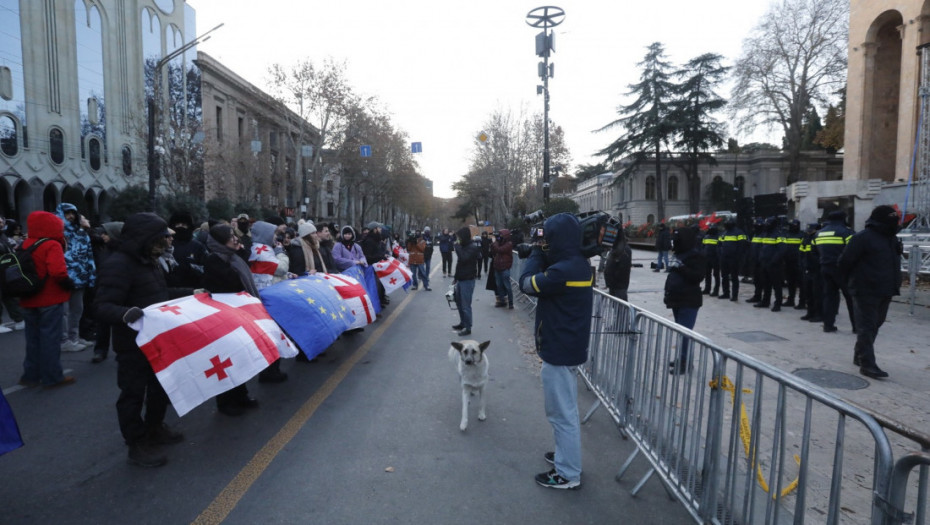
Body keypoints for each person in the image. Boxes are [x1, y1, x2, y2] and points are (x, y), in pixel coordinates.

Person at [94, 212, 191, 467]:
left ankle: (155, 427)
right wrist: (125, 313)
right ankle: (136, 444)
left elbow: (158, 295)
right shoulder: (119, 264)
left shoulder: (149, 260)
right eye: (161, 238)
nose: (167, 242)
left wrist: (192, 294)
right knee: (133, 394)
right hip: (132, 345)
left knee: (160, 387)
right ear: (145, 238)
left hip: (156, 340)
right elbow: (102, 306)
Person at [518, 213, 593, 490]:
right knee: (567, 411)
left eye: (548, 237)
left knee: (561, 414)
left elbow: (527, 283)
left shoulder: (562, 272)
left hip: (559, 350)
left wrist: (536, 253)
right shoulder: (579, 265)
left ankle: (568, 473)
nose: (545, 242)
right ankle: (566, 457)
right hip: (569, 346)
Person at [837, 205, 903, 379]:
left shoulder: (892, 238)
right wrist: (853, 282)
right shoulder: (862, 238)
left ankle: (859, 354)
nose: (896, 222)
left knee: (876, 324)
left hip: (886, 288)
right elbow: (844, 261)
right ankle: (867, 364)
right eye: (892, 219)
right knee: (867, 326)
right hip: (865, 289)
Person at [203, 224, 261, 415]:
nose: (236, 239)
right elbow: (231, 282)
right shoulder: (214, 260)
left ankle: (241, 394)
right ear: (220, 242)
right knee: (227, 358)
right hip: (223, 316)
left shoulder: (234, 257)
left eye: (235, 235)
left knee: (240, 356)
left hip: (239, 312)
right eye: (231, 237)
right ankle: (226, 402)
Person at [18, 211, 75, 389]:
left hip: (28, 297)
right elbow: (58, 272)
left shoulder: (24, 244)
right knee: (50, 338)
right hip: (50, 297)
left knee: (33, 339)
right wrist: (69, 284)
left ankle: (30, 375)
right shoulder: (52, 244)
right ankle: (52, 376)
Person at [249, 220, 290, 383]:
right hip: (267, 297)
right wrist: (281, 253)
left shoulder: (260, 249)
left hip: (265, 293)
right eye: (273, 234)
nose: (275, 238)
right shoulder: (262, 251)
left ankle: (272, 369)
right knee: (271, 335)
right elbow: (281, 268)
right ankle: (270, 371)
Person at [665, 227, 707, 374]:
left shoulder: (696, 256)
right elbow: (672, 276)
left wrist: (681, 268)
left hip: (689, 299)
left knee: (685, 333)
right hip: (677, 298)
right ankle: (682, 358)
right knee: (680, 331)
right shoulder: (679, 254)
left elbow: (698, 276)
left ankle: (685, 362)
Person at [57, 203, 96, 353]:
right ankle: (64, 340)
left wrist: (91, 274)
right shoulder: (58, 234)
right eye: (67, 213)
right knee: (64, 311)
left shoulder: (82, 233)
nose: (70, 216)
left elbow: (89, 255)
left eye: (73, 213)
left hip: (80, 277)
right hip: (65, 278)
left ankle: (74, 337)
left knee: (77, 309)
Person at [814, 210, 856, 333]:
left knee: (829, 297)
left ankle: (828, 325)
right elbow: (852, 252)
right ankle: (856, 326)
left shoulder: (819, 233)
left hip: (825, 268)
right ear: (843, 219)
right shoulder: (846, 232)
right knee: (851, 298)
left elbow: (816, 251)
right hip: (842, 270)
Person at [91, 221, 123, 363]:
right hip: (103, 289)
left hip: (120, 290)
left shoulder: (125, 252)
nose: (103, 236)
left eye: (106, 233)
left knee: (120, 323)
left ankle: (120, 351)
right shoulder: (103, 249)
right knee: (102, 321)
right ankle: (100, 349)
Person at [452, 227, 479, 336]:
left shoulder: (472, 247)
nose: (458, 239)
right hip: (461, 279)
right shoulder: (464, 246)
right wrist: (455, 277)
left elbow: (463, 258)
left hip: (468, 280)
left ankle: (468, 327)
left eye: (459, 237)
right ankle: (463, 323)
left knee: (465, 305)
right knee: (459, 303)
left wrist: (457, 247)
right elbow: (460, 265)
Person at [0, 216, 25, 332]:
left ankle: (19, 319)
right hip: (3, 268)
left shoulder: (3, 236)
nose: (1, 223)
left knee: (9, 295)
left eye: (1, 221)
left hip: (5, 269)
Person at [717, 219, 748, 301]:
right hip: (724, 258)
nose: (726, 225)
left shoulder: (739, 232)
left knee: (734, 277)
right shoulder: (723, 233)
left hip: (734, 258)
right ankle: (726, 293)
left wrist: (738, 256)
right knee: (724, 276)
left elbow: (742, 245)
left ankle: (735, 295)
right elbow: (719, 244)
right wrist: (720, 254)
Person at [799, 223, 823, 323]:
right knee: (808, 292)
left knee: (817, 293)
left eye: (811, 229)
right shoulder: (806, 238)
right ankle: (810, 312)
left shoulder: (818, 238)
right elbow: (801, 253)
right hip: (807, 268)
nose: (809, 231)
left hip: (817, 269)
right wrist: (802, 265)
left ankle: (818, 314)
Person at [603, 229, 633, 301]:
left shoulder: (623, 249)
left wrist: (611, 280)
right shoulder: (617, 247)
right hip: (614, 284)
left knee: (620, 306)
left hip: (618, 285)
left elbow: (622, 269)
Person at [490, 229, 514, 308]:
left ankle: (511, 303)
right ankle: (502, 301)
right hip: (497, 267)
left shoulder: (509, 244)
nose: (499, 237)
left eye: (501, 235)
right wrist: (493, 244)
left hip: (505, 267)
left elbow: (500, 250)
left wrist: (495, 242)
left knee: (507, 286)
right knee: (499, 285)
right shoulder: (499, 243)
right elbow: (493, 252)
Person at [701, 225, 720, 297]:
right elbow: (703, 246)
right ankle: (707, 289)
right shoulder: (706, 236)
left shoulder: (719, 237)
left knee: (716, 275)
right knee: (707, 274)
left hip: (715, 258)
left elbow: (720, 247)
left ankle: (716, 290)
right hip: (707, 258)